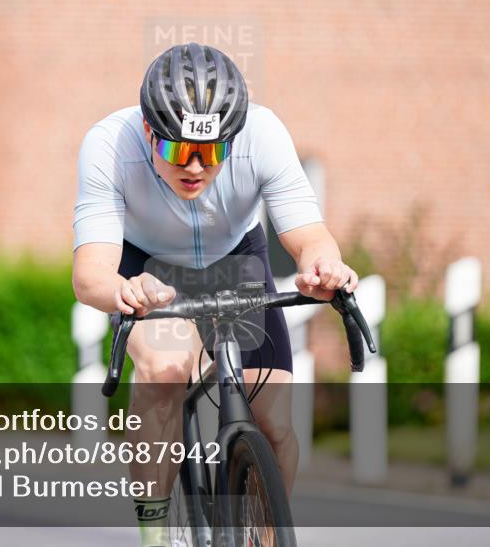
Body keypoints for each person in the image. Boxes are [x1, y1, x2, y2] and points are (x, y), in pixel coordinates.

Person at [72, 43, 358, 547]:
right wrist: (125, 288)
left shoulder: (264, 133)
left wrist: (323, 266)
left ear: (233, 135)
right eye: (180, 150)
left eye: (214, 151)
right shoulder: (108, 145)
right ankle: (154, 536)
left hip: (235, 260)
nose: (197, 168)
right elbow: (90, 275)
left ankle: (265, 540)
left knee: (271, 421)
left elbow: (310, 235)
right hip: (149, 269)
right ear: (148, 130)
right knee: (164, 370)